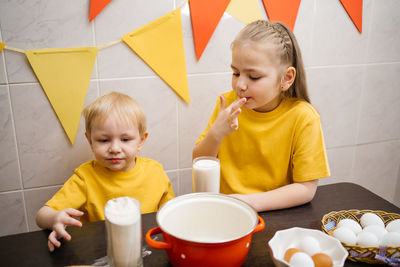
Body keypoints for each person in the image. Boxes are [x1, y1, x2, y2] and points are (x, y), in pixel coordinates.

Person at [192, 20, 330, 212]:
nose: (240, 85)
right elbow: (199, 161)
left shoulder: (303, 118)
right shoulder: (227, 105)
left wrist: (251, 202)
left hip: (276, 214)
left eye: (254, 77)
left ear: (286, 78)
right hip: (225, 211)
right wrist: (216, 134)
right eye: (235, 72)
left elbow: (306, 189)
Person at [36, 91, 175, 252]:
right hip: (102, 253)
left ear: (141, 141)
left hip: (149, 249)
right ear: (90, 141)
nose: (115, 149)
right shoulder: (85, 177)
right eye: (104, 140)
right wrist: (55, 219)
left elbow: (172, 215)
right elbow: (41, 216)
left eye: (125, 139)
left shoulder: (155, 172)